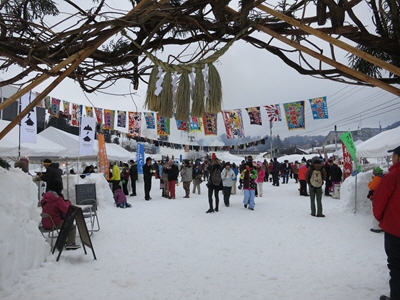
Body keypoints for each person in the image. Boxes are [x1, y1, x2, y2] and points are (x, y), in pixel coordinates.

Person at [373, 145, 400, 300]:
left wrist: (381, 218)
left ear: (397, 158)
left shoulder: (392, 177)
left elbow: (379, 202)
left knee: (396, 266)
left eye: (393, 156)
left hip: (395, 229)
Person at [40, 180, 80, 250]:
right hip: (54, 222)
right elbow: (65, 209)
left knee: (64, 224)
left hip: (45, 222)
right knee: (71, 226)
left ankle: (61, 242)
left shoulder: (45, 197)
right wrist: (67, 202)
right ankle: (70, 243)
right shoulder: (57, 198)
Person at [368, 166, 385, 233]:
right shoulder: (384, 177)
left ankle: (376, 227)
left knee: (375, 211)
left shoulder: (377, 178)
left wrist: (369, 183)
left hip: (376, 196)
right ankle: (382, 225)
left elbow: (371, 187)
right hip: (383, 196)